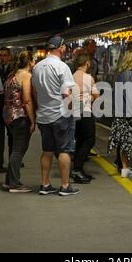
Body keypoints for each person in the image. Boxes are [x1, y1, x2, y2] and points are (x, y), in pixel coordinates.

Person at [32, 36, 80, 196]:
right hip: (61, 114)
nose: (65, 48)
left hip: (43, 116)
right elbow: (67, 93)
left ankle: (45, 184)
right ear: (60, 47)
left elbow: (34, 92)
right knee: (65, 150)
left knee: (47, 150)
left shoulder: (37, 67)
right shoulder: (62, 67)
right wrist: (72, 110)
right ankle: (65, 186)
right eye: (64, 46)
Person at [2, 51, 36, 193]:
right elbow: (27, 100)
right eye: (34, 60)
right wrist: (33, 120)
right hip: (20, 116)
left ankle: (9, 180)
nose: (35, 62)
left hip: (8, 115)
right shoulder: (27, 76)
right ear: (29, 62)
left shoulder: (12, 75)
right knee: (19, 150)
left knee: (16, 148)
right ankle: (15, 184)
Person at [72, 53, 100, 184]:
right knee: (89, 139)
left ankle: (78, 170)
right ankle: (77, 168)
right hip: (86, 112)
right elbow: (96, 96)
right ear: (87, 63)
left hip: (74, 112)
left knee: (79, 140)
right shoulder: (89, 78)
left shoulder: (71, 77)